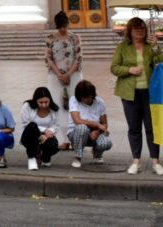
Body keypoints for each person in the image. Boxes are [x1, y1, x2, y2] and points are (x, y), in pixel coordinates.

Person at [110, 16, 163, 175]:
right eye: (136, 28)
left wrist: (156, 48)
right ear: (130, 31)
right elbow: (114, 68)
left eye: (142, 28)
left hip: (150, 93)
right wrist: (129, 70)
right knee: (134, 128)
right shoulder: (122, 47)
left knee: (151, 128)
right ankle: (136, 162)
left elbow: (160, 64)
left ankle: (155, 161)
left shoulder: (150, 46)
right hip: (129, 93)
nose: (139, 31)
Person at [46, 10, 82, 149]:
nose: (62, 29)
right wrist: (60, 75)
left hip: (73, 75)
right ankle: (65, 139)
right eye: (60, 26)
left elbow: (78, 58)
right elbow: (49, 59)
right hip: (55, 77)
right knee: (59, 106)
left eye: (64, 25)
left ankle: (75, 138)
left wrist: (68, 74)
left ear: (67, 23)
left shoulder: (75, 38)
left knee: (74, 105)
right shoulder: (50, 38)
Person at [67, 79, 112, 168]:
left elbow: (104, 124)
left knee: (106, 143)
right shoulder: (74, 100)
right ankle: (78, 157)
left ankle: (97, 153)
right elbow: (77, 121)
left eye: (89, 97)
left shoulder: (100, 102)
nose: (87, 99)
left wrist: (97, 132)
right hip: (76, 132)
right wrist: (97, 125)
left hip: (94, 133)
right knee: (82, 128)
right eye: (84, 97)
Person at [19, 87, 60, 171]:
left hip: (47, 136)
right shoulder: (27, 106)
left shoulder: (54, 108)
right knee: (32, 125)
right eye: (41, 102)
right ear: (36, 101)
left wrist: (46, 135)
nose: (44, 105)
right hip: (29, 136)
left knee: (52, 146)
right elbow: (26, 124)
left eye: (46, 102)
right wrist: (44, 130)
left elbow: (56, 126)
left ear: (50, 100)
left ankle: (45, 156)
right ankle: (32, 158)